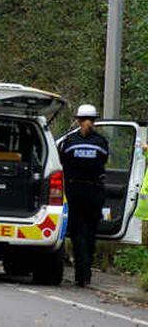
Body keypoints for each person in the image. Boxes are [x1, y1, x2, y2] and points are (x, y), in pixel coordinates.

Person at [59, 104, 108, 287]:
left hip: (74, 191)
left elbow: (62, 163)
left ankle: (81, 274)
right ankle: (86, 275)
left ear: (78, 120)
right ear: (94, 121)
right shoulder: (101, 142)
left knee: (78, 232)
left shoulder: (69, 142)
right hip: (95, 192)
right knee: (90, 233)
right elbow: (102, 162)